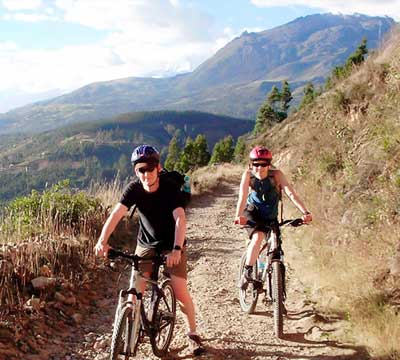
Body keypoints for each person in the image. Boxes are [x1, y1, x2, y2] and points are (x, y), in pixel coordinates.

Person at [94, 144, 205, 356]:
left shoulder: (170, 188)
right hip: (146, 244)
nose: (146, 174)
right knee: (135, 292)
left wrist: (176, 249)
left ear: (158, 168)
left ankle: (192, 334)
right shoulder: (133, 189)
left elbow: (180, 219)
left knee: (180, 292)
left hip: (172, 244)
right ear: (136, 171)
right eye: (141, 170)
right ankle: (132, 327)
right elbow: (116, 215)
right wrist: (102, 240)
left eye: (150, 169)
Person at [234, 146, 312, 287]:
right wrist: (238, 216)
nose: (259, 167)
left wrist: (305, 212)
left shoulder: (276, 175)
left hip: (270, 216)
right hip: (252, 213)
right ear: (251, 164)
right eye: (256, 164)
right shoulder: (248, 175)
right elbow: (242, 196)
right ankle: (247, 272)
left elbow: (291, 193)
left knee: (275, 246)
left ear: (269, 164)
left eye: (263, 164)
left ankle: (275, 287)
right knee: (258, 237)